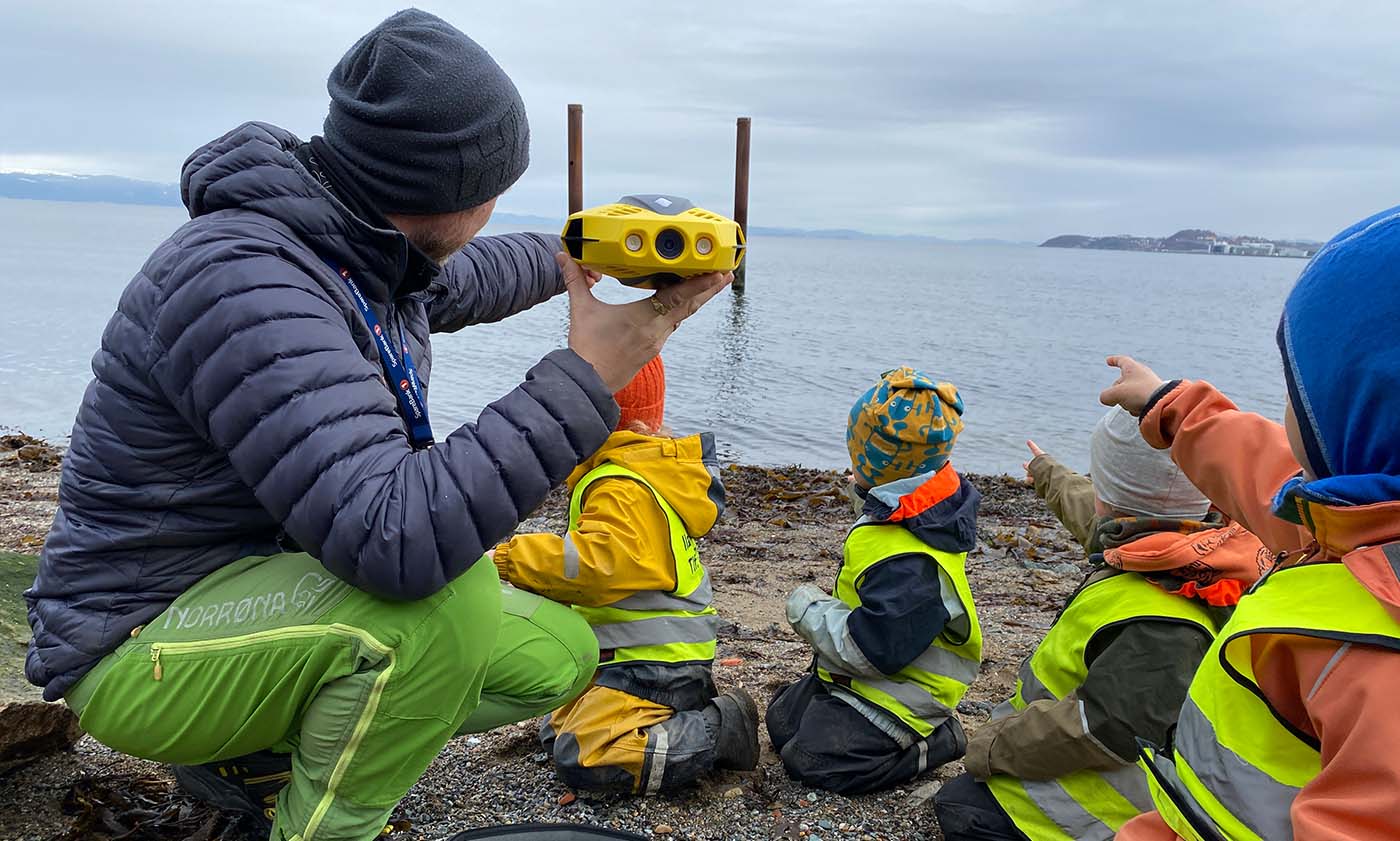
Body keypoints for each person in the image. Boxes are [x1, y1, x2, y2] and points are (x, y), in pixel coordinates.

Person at [23, 10, 729, 841]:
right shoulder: (245, 284)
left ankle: (257, 753)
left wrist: (587, 251)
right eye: (495, 185)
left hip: (259, 594)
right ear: (446, 190)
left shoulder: (358, 248)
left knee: (557, 651)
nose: (497, 207)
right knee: (449, 595)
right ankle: (323, 825)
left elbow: (477, 273)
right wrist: (587, 378)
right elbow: (395, 538)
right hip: (140, 642)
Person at [1101, 205, 1400, 841]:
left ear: (1360, 419)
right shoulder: (1356, 526)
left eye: (1296, 392)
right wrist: (1168, 405)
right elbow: (1260, 470)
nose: (1284, 410)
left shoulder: (1376, 653)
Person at [934, 410, 1271, 841]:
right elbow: (1099, 520)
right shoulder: (1190, 544)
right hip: (1097, 753)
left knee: (962, 807)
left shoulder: (1164, 627)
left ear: (1109, 493)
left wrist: (991, 746)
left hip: (1108, 809)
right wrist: (1048, 473)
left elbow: (1104, 728)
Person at [493, 355, 759, 794]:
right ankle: (661, 717)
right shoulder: (625, 474)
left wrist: (508, 560)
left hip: (657, 666)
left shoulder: (623, 485)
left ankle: (721, 727)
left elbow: (599, 566)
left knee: (585, 757)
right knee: (554, 730)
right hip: (625, 660)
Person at [765, 368, 982, 795]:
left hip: (905, 691)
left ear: (874, 459)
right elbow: (890, 513)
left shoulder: (911, 561)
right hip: (865, 676)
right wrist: (869, 490)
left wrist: (808, 609)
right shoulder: (915, 507)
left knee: (811, 761)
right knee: (781, 721)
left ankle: (936, 742)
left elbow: (874, 650)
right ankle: (864, 724)